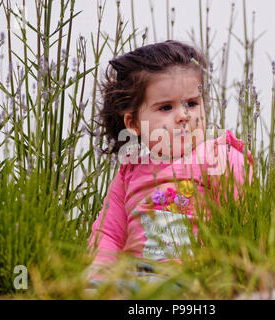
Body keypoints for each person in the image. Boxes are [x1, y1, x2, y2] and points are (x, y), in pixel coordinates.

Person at [85, 40, 253, 286]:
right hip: (134, 279)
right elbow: (109, 234)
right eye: (166, 107)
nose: (184, 116)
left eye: (193, 103)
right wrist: (97, 279)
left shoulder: (220, 158)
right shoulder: (129, 172)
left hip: (193, 277)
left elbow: (244, 223)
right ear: (132, 123)